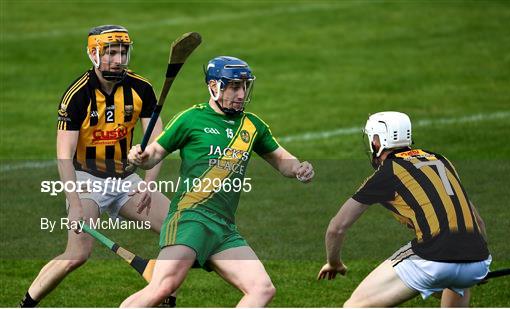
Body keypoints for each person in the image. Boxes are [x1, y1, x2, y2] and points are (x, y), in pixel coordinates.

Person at [120, 56, 314, 307]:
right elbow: (153, 155)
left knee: (262, 289)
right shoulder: (191, 118)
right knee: (162, 288)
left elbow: (282, 160)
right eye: (234, 86)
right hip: (191, 219)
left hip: (223, 229)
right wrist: (140, 155)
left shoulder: (252, 126)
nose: (241, 93)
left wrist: (299, 168)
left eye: (244, 86)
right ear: (214, 86)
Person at [19, 25, 173, 307]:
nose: (117, 59)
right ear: (93, 54)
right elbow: (63, 154)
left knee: (178, 230)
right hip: (86, 179)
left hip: (126, 180)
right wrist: (74, 204)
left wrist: (150, 183)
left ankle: (165, 297)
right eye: (110, 52)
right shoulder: (77, 95)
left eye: (122, 52)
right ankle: (26, 304)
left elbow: (157, 143)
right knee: (76, 254)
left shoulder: (141, 88)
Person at [317, 111, 491, 307]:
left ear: (377, 141)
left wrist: (334, 262)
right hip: (478, 259)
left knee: (354, 306)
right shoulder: (441, 160)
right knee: (455, 282)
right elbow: (477, 221)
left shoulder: (388, 172)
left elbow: (336, 227)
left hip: (433, 259)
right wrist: (474, 261)